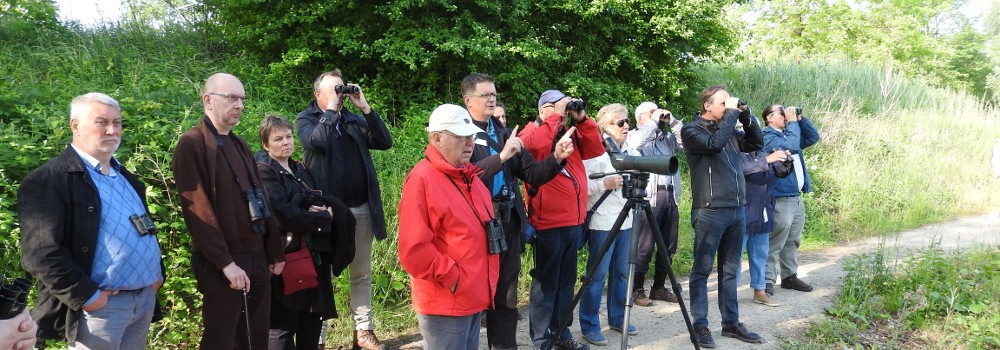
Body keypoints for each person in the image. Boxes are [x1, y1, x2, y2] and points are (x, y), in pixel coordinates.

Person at [18, 92, 165, 349]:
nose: (112, 130)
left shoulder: (126, 178)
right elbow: (41, 253)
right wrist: (89, 296)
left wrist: (155, 277)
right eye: (101, 122)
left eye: (117, 122)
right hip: (99, 310)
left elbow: (143, 229)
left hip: (142, 301)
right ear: (75, 125)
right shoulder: (50, 180)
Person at [173, 73, 286, 349]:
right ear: (208, 100)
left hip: (256, 256)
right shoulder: (192, 144)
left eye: (242, 99)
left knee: (257, 334)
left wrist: (273, 250)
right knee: (222, 337)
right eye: (232, 98)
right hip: (222, 261)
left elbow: (261, 198)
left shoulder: (238, 143)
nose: (240, 105)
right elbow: (198, 211)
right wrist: (225, 263)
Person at [460, 73, 570, 350]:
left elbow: (532, 173)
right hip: (475, 223)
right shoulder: (459, 133)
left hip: (507, 222)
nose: (491, 99)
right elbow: (461, 178)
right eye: (485, 95)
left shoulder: (503, 132)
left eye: (494, 94)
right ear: (468, 100)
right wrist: (501, 157)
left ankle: (505, 347)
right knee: (472, 292)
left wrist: (556, 158)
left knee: (506, 294)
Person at [295, 69, 393, 350]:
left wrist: (364, 107)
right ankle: (319, 337)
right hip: (327, 213)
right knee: (323, 276)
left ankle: (363, 331)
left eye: (342, 89)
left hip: (361, 208)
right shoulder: (307, 119)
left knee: (361, 273)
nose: (340, 94)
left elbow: (384, 142)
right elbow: (317, 142)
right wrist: (330, 111)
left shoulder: (353, 119)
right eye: (334, 89)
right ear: (318, 95)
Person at [397, 104, 500, 350]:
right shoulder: (423, 179)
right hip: (447, 300)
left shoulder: (468, 176)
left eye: (471, 136)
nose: (469, 143)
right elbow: (414, 249)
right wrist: (455, 279)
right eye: (460, 136)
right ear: (437, 138)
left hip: (473, 294)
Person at [255, 115, 356, 350]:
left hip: (312, 258)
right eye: (278, 138)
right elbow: (282, 214)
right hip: (284, 258)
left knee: (311, 321)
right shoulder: (263, 172)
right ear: (266, 144)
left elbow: (319, 197)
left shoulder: (300, 168)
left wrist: (316, 212)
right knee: (282, 326)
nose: (285, 142)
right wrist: (322, 217)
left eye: (288, 136)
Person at [519, 89, 605, 350]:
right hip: (548, 222)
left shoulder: (572, 135)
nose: (564, 113)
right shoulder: (530, 132)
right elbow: (535, 146)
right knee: (546, 285)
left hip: (573, 221)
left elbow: (596, 148)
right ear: (544, 109)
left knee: (566, 283)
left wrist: (581, 119)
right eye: (558, 107)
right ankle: (542, 340)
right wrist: (555, 116)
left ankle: (561, 333)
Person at [680, 85, 765, 348]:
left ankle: (730, 323)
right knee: (702, 270)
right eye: (723, 103)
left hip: (736, 208)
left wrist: (746, 115)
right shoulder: (692, 130)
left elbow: (755, 143)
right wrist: (731, 115)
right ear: (708, 106)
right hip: (710, 209)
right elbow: (713, 145)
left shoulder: (728, 129)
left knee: (730, 271)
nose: (728, 107)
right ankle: (701, 325)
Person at [578, 103, 637, 346]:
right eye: (620, 122)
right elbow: (583, 187)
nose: (626, 126)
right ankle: (589, 324)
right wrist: (605, 184)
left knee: (622, 273)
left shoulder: (631, 149)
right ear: (604, 126)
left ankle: (617, 317)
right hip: (603, 222)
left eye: (627, 121)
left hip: (627, 219)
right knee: (597, 275)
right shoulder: (596, 151)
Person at [624, 101, 684, 306]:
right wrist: (653, 122)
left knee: (669, 246)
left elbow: (686, 142)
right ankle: (636, 289)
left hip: (671, 195)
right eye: (651, 112)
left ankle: (658, 287)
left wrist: (673, 122)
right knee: (644, 246)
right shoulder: (633, 135)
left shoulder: (666, 139)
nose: (658, 115)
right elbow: (635, 146)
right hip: (649, 197)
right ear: (641, 117)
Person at [761, 104, 820, 296]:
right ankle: (767, 280)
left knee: (793, 239)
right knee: (775, 240)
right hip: (780, 196)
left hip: (795, 196)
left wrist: (800, 120)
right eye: (782, 112)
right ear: (770, 118)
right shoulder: (767, 136)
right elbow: (793, 146)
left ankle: (789, 277)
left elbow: (812, 137)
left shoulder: (789, 133)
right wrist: (793, 122)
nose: (786, 115)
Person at [739, 146, 791, 308]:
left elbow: (781, 172)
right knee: (734, 256)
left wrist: (786, 160)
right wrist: (766, 160)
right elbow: (738, 170)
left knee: (760, 254)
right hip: (742, 212)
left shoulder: (763, 152)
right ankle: (729, 293)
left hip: (763, 211)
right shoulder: (732, 152)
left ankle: (760, 291)